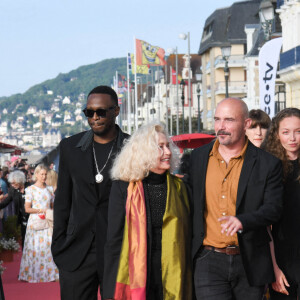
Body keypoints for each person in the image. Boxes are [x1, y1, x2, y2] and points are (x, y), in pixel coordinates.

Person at [188, 98, 283, 300]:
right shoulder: (197, 157)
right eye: (217, 119)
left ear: (246, 124)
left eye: (229, 120)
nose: (221, 126)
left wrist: (243, 221)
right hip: (207, 259)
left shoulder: (268, 163)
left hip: (250, 259)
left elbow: (273, 209)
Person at [51, 85, 129, 300]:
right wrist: (59, 245)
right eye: (89, 112)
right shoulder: (69, 147)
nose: (95, 117)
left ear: (116, 111)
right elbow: (62, 201)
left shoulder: (131, 147)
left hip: (119, 250)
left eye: (101, 112)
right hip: (76, 252)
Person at [103, 122, 192, 300]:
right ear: (144, 153)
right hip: (137, 276)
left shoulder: (181, 187)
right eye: (160, 147)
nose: (168, 152)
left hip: (174, 276)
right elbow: (114, 241)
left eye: (167, 146)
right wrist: (109, 289)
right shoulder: (123, 188)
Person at [262, 108, 300, 299]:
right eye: (286, 132)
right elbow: (265, 225)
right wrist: (274, 268)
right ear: (277, 135)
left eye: (298, 131)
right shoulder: (268, 169)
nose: (292, 138)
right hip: (282, 257)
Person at [19, 164, 58, 282]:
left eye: (45, 174)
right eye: (41, 174)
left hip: (47, 222)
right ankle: (33, 274)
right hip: (35, 222)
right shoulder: (30, 190)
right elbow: (27, 209)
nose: (44, 176)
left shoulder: (50, 189)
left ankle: (51, 274)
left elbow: (52, 207)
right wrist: (41, 210)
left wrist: (50, 213)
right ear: (36, 174)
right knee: (35, 247)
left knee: (49, 247)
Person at [0, 170, 29, 249]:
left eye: (13, 183)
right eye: (11, 183)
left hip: (32, 218)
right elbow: (6, 201)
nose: (12, 185)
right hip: (22, 219)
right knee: (24, 241)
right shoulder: (13, 190)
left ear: (19, 180)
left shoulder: (30, 187)